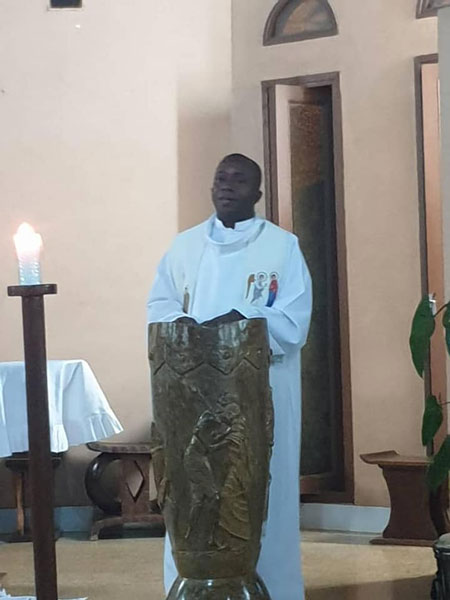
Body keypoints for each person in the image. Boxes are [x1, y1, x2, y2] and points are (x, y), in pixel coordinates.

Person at [147, 153, 312, 600]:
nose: (227, 185)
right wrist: (184, 325)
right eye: (221, 177)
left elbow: (294, 321)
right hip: (192, 395)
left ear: (257, 192)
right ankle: (192, 584)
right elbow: (159, 307)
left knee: (259, 493)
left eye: (239, 180)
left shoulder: (283, 247)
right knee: (193, 498)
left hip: (261, 392)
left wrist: (243, 320)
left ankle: (273, 588)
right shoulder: (184, 247)